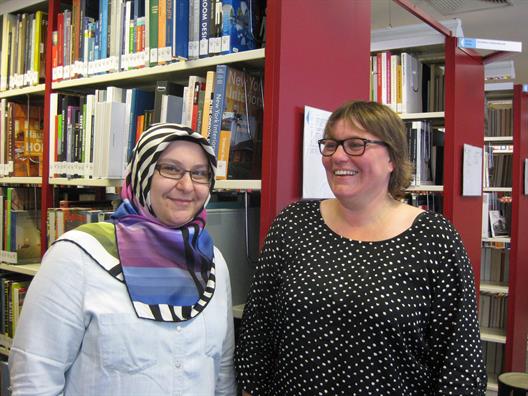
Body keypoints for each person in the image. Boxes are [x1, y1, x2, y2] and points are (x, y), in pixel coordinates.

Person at [235, 101, 487, 395]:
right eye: (331, 145)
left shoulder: (434, 239)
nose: (338, 156)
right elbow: (257, 332)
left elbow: (460, 362)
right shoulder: (293, 223)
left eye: (356, 144)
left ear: (392, 157)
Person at [9, 124, 236, 395]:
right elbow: (34, 379)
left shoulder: (212, 262)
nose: (186, 185)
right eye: (171, 168)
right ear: (142, 173)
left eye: (200, 173)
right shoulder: (77, 257)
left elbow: (222, 372)